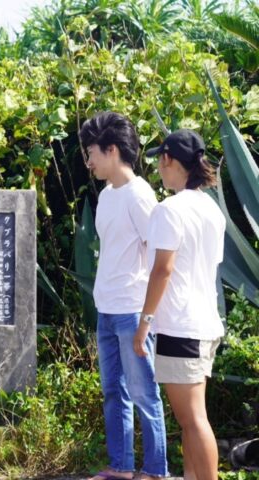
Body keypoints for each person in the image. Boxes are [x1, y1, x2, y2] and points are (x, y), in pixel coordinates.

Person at [80, 112, 169, 480]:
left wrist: (148, 319)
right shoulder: (105, 196)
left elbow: (160, 255)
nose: (89, 161)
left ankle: (155, 471)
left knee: (145, 394)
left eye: (92, 153)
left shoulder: (140, 194)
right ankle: (121, 467)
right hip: (107, 308)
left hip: (133, 311)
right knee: (114, 394)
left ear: (112, 149)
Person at [134, 129, 225, 480]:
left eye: (160, 159)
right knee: (191, 421)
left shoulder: (169, 210)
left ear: (169, 159)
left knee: (193, 420)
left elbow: (162, 270)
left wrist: (144, 323)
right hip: (205, 325)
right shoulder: (211, 210)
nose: (159, 166)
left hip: (179, 326)